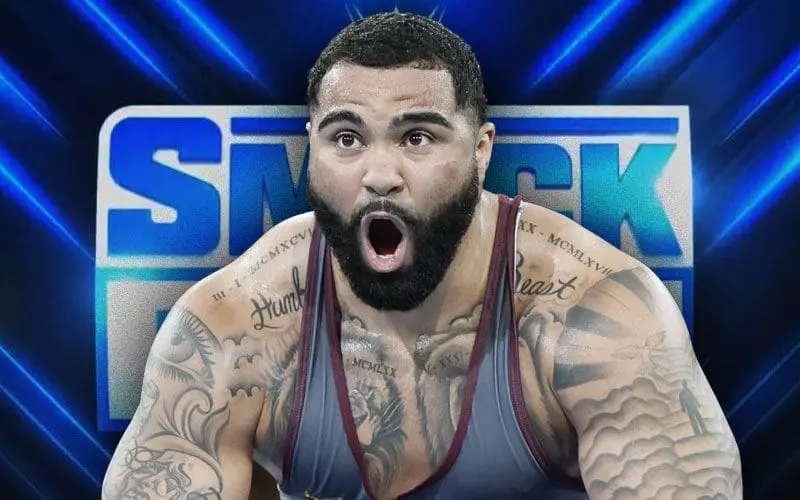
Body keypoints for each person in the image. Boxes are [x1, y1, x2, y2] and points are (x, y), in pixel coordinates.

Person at [101, 12, 742, 500]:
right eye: (346, 138)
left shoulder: (597, 316)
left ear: (482, 150)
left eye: (417, 137)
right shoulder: (230, 328)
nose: (380, 175)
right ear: (311, 149)